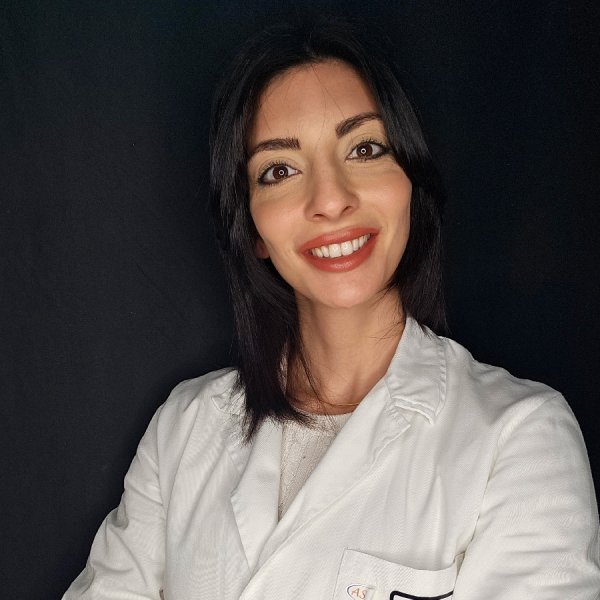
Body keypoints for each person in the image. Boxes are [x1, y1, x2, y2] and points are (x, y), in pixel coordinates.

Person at [63, 19, 600, 600]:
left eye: (364, 149)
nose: (331, 199)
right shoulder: (183, 429)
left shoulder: (520, 437)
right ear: (253, 227)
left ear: (410, 182)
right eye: (280, 170)